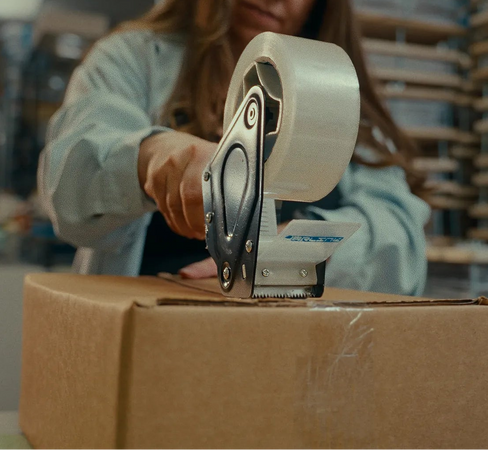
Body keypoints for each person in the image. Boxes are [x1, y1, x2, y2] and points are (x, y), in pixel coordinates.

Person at [38, 0, 431, 295]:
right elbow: (70, 177)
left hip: (289, 349)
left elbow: (401, 237)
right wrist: (151, 157)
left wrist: (300, 247)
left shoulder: (333, 88)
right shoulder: (133, 58)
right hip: (151, 334)